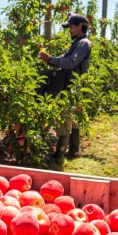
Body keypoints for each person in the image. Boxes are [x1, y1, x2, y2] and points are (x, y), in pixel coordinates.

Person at [38, 13, 92, 166]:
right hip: (70, 84)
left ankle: (59, 156)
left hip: (71, 86)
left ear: (80, 26)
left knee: (65, 117)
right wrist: (51, 60)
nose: (70, 30)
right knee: (71, 117)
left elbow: (71, 62)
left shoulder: (84, 43)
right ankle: (74, 150)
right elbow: (66, 58)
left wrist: (51, 60)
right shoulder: (78, 43)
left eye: (72, 27)